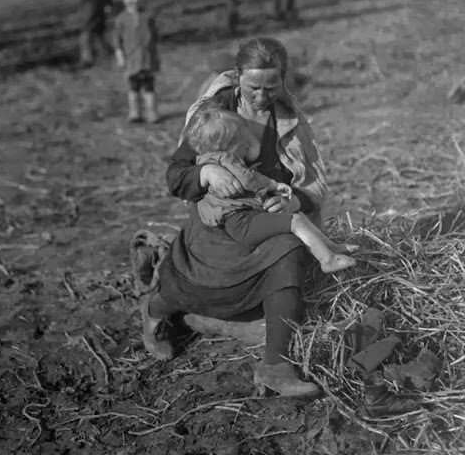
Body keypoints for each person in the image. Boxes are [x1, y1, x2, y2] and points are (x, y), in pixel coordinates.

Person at [141, 37, 339, 398]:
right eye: (253, 87)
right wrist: (205, 175)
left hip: (260, 218)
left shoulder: (289, 121)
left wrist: (293, 201)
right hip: (216, 223)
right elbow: (175, 176)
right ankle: (154, 311)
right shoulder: (214, 112)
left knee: (289, 249)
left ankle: (275, 367)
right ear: (237, 77)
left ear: (284, 80)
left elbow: (311, 186)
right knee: (188, 287)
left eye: (271, 87)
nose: (261, 97)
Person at [183, 106, 357, 273]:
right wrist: (274, 185)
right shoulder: (226, 159)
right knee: (295, 221)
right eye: (243, 143)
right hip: (241, 222)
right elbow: (248, 179)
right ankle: (327, 261)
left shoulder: (205, 161)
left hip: (242, 217)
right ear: (231, 146)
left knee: (298, 217)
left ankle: (329, 247)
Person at [114, 0, 160, 124]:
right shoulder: (121, 19)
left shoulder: (147, 17)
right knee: (133, 88)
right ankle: (134, 112)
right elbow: (117, 40)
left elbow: (155, 36)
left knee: (149, 87)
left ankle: (151, 112)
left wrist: (155, 56)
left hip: (147, 59)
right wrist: (120, 56)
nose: (135, 0)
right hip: (131, 60)